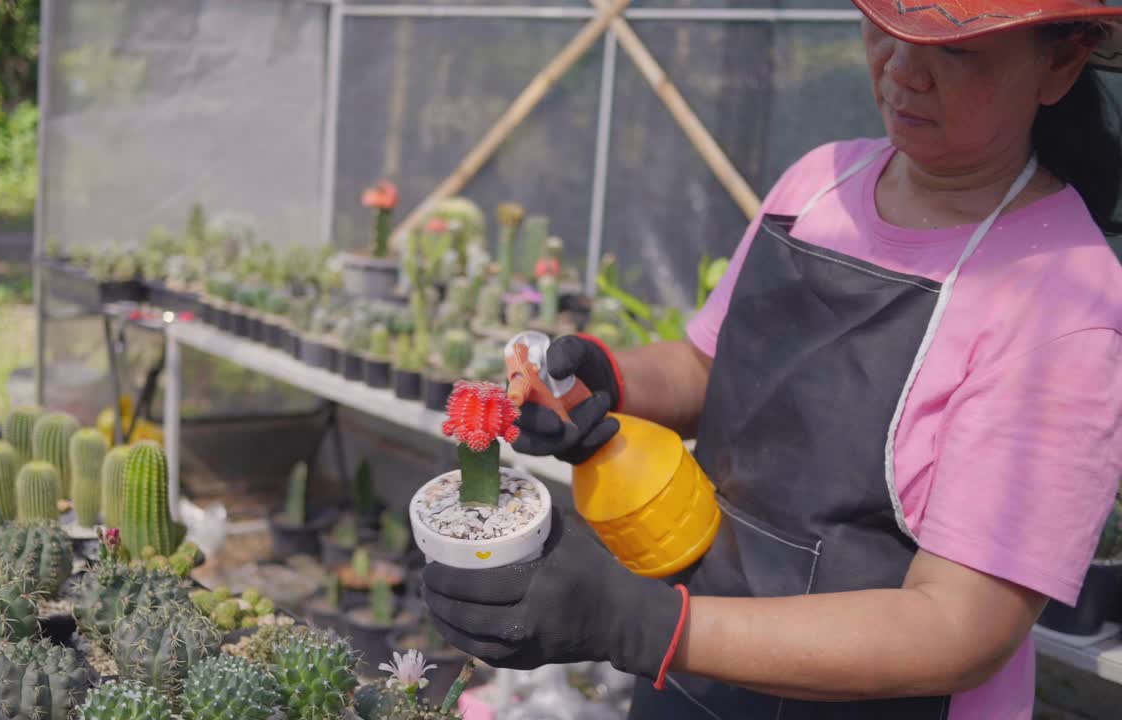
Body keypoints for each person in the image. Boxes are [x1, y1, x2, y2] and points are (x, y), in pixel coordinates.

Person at [420, 1, 1122, 718]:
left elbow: (961, 628)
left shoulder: (1062, 306)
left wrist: (643, 623)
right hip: (693, 673)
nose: (903, 72)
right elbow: (703, 369)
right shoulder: (819, 186)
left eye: (957, 51)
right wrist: (606, 379)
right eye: (885, 27)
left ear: (1061, 62)